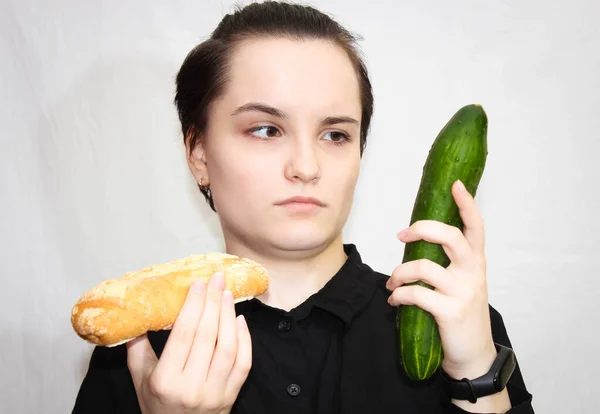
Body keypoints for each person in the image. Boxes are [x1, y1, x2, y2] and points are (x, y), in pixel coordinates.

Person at [71, 2, 534, 413]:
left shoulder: (459, 326)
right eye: (267, 130)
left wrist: (477, 373)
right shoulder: (139, 352)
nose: (306, 167)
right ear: (199, 156)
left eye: (335, 135)